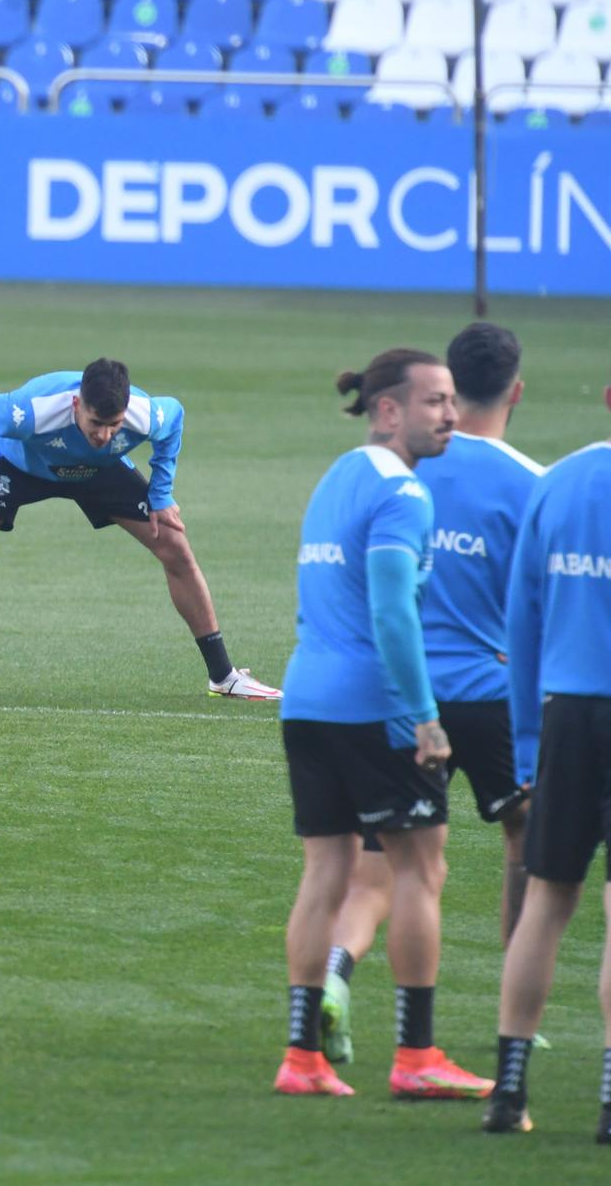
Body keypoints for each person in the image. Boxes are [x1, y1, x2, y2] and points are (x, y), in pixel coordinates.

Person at [272, 348, 490, 1100]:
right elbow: (393, 609)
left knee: (326, 873)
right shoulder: (405, 494)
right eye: (435, 401)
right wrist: (425, 718)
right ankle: (417, 1054)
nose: (451, 416)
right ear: (388, 410)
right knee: (419, 871)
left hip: (306, 698)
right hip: (377, 707)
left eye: (453, 399)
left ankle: (301, 1058)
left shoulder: (338, 476)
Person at [321, 324, 542, 1064]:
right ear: (515, 389)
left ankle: (332, 974)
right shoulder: (528, 482)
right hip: (484, 692)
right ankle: (519, 997)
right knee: (526, 836)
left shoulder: (398, 465)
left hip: (396, 693)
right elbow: (533, 608)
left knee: (382, 864)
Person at [0, 359, 280, 703]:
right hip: (24, 466)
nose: (104, 435)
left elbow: (174, 418)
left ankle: (224, 676)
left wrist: (161, 495)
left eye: (115, 426)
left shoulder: (144, 414)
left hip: (101, 472)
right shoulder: (28, 413)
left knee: (175, 545)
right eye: (96, 423)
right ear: (77, 404)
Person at [484, 376, 611, 1141]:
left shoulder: (561, 480)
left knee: (546, 903)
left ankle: (508, 1089)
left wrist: (526, 740)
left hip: (565, 713)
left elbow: (521, 619)